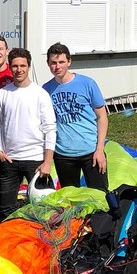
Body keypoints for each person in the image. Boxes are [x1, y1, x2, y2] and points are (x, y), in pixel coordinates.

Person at [0, 47, 56, 218]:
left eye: (23, 65)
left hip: (35, 161)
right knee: (6, 208)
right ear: (10, 67)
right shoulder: (2, 94)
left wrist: (47, 162)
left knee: (42, 209)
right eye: (15, 66)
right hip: (9, 160)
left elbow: (50, 128)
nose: (19, 70)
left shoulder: (40, 94)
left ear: (29, 66)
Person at [43, 43, 109, 190]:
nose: (57, 66)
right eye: (53, 63)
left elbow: (102, 117)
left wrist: (99, 149)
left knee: (100, 196)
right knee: (71, 199)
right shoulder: (45, 90)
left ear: (69, 62)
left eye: (61, 62)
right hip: (63, 154)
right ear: (48, 64)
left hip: (90, 151)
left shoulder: (87, 84)